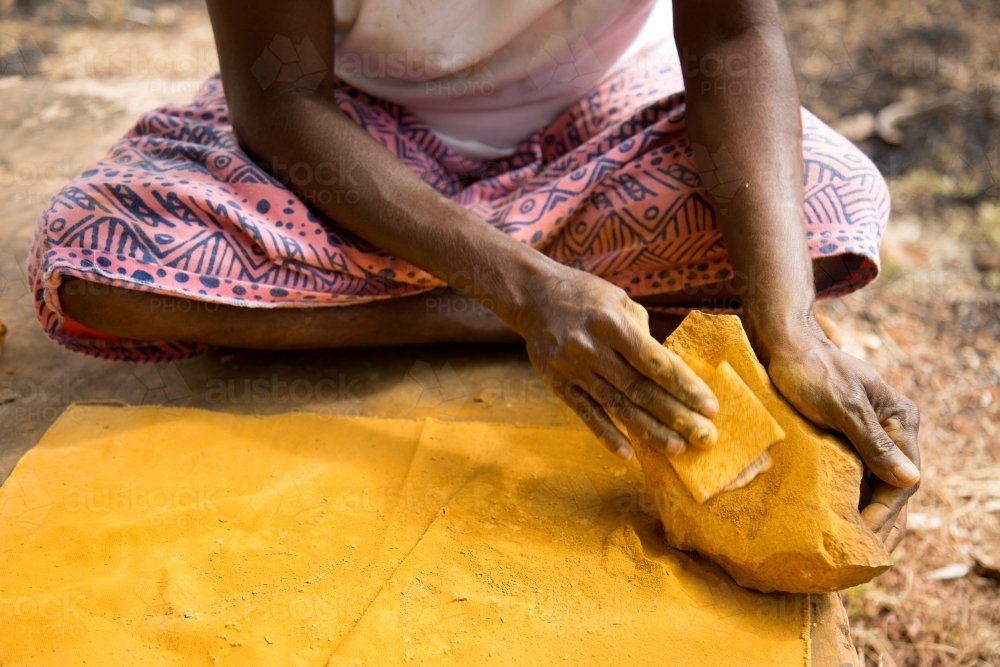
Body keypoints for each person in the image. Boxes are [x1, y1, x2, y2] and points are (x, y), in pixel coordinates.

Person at [28, 0, 918, 548]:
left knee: (828, 208)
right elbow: (281, 100)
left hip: (602, 118)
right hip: (358, 142)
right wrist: (521, 292)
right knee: (92, 256)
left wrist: (789, 327)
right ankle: (486, 309)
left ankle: (500, 293)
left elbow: (732, 38)